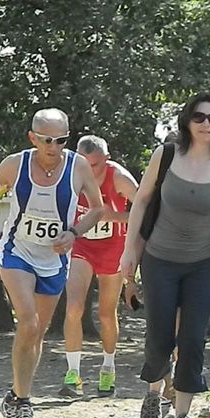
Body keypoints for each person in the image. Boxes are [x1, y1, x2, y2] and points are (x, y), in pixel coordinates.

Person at [120, 92, 210, 418]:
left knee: (192, 339)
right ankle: (154, 392)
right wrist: (129, 252)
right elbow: (142, 201)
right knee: (160, 335)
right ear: (187, 120)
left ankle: (182, 417)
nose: (206, 124)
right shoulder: (166, 154)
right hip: (159, 260)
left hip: (204, 263)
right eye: (199, 117)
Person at [0, 108, 104, 418]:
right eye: (47, 140)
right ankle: (26, 403)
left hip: (55, 260)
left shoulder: (78, 166)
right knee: (27, 322)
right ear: (33, 138)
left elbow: (98, 208)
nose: (54, 147)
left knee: (37, 333)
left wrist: (73, 233)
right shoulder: (16, 164)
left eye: (61, 140)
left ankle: (15, 397)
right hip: (18, 252)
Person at [60, 135, 138, 398]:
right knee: (73, 307)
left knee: (106, 313)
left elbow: (147, 209)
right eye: (84, 164)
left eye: (94, 165)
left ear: (107, 159)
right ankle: (73, 374)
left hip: (113, 246)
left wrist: (115, 216)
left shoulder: (119, 178)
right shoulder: (70, 173)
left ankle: (108, 368)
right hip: (82, 245)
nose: (88, 171)